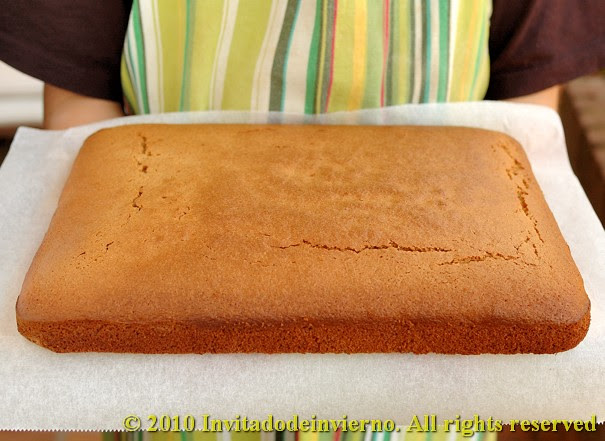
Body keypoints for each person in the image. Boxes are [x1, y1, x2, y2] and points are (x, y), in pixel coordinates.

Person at [1, 1, 604, 440]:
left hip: (437, 408)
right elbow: (81, 119)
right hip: (152, 403)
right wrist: (69, 402)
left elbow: (523, 125)